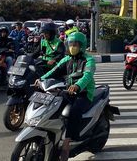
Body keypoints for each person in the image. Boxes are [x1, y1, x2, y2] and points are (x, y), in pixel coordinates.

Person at [37, 32, 95, 161]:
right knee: (53, 103)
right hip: (68, 91)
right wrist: (41, 78)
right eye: (70, 44)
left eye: (76, 44)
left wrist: (78, 86)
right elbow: (55, 70)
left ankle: (68, 142)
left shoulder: (89, 60)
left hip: (84, 93)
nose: (72, 46)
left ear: (82, 45)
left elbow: (87, 75)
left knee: (74, 111)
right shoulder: (67, 59)